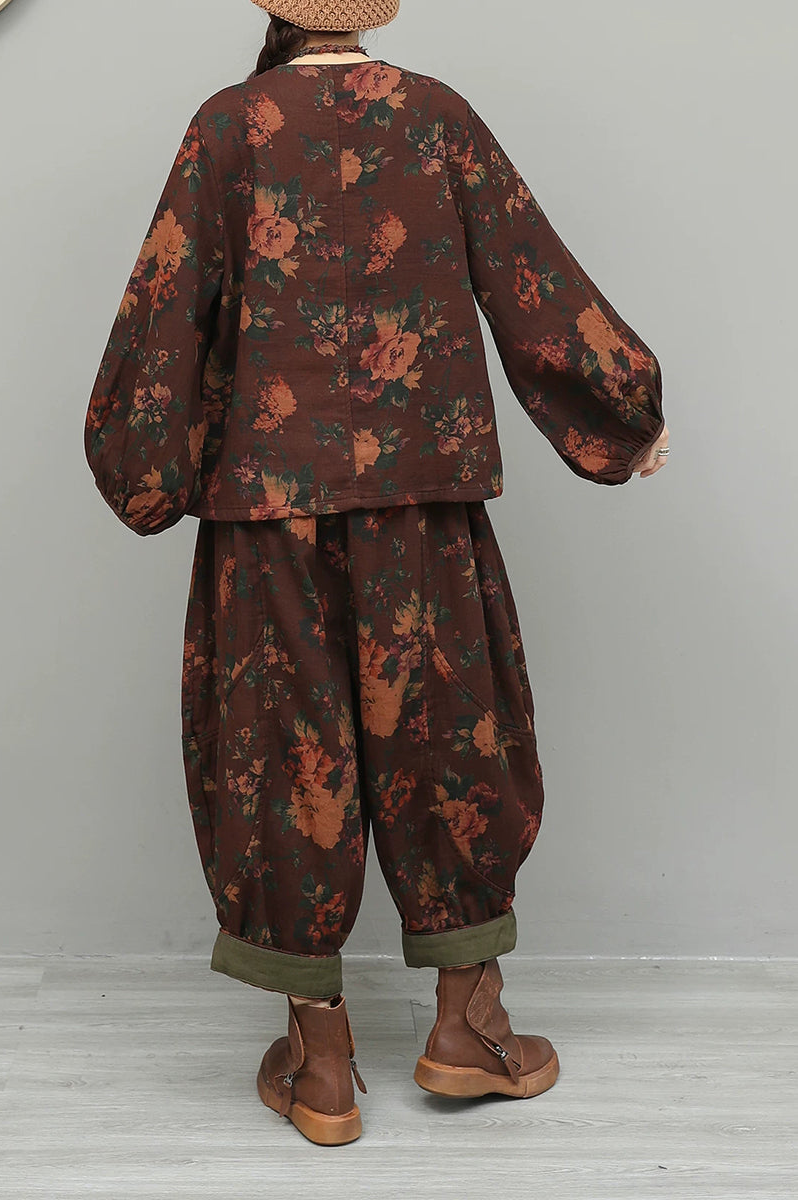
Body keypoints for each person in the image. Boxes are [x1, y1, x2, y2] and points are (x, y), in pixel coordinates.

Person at [83, 0, 669, 1147]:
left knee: (281, 756)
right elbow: (533, 276)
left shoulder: (226, 127)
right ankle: (469, 1029)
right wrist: (625, 415)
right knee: (454, 734)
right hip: (422, 501)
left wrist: (141, 469)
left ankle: (321, 1065)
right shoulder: (438, 118)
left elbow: (165, 315)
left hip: (269, 511)